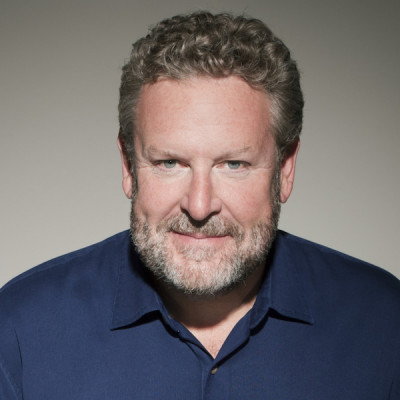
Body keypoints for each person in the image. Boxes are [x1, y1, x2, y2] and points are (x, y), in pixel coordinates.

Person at [1, 11, 399, 400]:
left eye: (234, 164)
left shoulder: (385, 324)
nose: (199, 205)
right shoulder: (20, 331)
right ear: (127, 166)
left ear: (285, 169)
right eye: (169, 163)